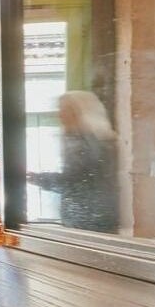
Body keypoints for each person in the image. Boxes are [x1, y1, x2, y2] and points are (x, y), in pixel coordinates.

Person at [26, 89, 118, 233]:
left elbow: (75, 181)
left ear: (79, 112)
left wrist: (37, 178)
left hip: (92, 222)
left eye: (65, 109)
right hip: (82, 220)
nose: (60, 114)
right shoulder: (77, 140)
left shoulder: (89, 143)